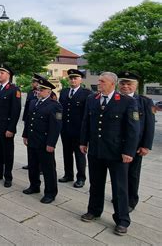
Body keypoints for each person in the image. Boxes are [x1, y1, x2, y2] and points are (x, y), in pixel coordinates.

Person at [80, 72, 139, 236]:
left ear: (113, 83)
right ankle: (93, 211)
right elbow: (86, 121)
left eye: (102, 81)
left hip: (117, 153)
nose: (99, 83)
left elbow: (133, 130)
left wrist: (128, 151)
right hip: (96, 151)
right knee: (96, 183)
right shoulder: (92, 99)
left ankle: (122, 220)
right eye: (99, 80)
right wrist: (83, 142)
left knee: (119, 188)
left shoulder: (127, 101)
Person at [118, 71, 155, 212]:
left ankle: (131, 200)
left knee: (132, 174)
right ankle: (120, 196)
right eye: (123, 83)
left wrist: (146, 145)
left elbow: (149, 125)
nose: (125, 86)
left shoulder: (145, 102)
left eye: (129, 84)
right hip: (116, 145)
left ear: (136, 85)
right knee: (119, 174)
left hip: (135, 146)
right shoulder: (114, 99)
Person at [22, 76, 62, 203]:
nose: (38, 92)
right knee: (33, 165)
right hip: (33, 139)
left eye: (41, 90)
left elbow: (56, 126)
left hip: (45, 142)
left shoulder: (55, 106)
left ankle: (50, 193)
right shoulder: (34, 102)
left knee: (48, 168)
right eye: (38, 89)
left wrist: (51, 143)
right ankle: (34, 186)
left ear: (49, 91)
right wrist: (25, 135)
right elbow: (28, 121)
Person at [0, 65, 21, 188]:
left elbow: (15, 111)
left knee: (7, 153)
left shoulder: (13, 89)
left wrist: (11, 128)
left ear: (8, 75)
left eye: (1, 73)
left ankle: (8, 176)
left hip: (6, 128)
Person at [58, 69, 91, 188]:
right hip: (65, 129)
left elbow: (87, 114)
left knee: (79, 155)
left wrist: (86, 132)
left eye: (75, 78)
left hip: (79, 131)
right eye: (71, 78)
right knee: (67, 153)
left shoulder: (86, 93)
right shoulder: (64, 92)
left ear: (80, 79)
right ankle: (68, 174)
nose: (73, 80)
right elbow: (60, 110)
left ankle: (81, 177)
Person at [20, 74, 41, 167]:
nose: (32, 83)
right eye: (32, 82)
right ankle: (31, 163)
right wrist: (25, 119)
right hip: (30, 121)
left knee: (39, 146)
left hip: (40, 123)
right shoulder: (30, 92)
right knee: (30, 144)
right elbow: (27, 108)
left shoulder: (46, 93)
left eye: (34, 82)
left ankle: (40, 166)